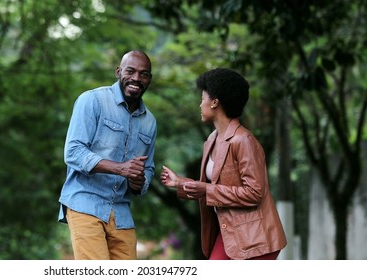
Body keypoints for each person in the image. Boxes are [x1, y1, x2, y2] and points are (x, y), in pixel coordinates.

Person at [160, 68, 287, 260]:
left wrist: (206, 190)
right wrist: (180, 183)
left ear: (215, 102)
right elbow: (214, 187)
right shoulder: (211, 140)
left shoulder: (243, 141)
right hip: (229, 233)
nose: (199, 104)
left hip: (255, 238)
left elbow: (254, 193)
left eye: (203, 98)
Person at [58, 50, 157, 260]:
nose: (136, 79)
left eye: (144, 74)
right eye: (130, 71)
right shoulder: (91, 100)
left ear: (149, 79)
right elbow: (73, 152)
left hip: (121, 213)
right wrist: (120, 168)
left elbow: (147, 169)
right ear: (118, 72)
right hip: (85, 203)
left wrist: (139, 180)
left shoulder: (150, 122)